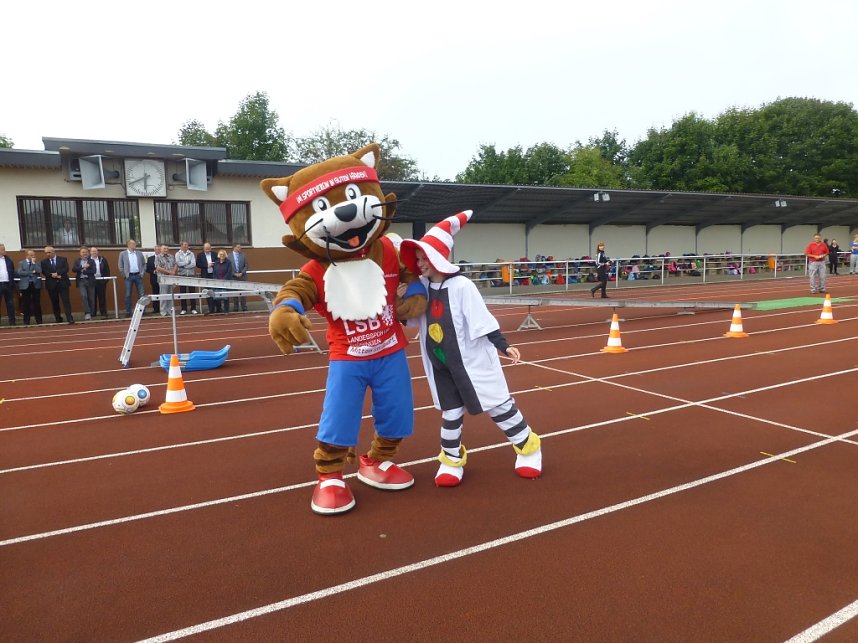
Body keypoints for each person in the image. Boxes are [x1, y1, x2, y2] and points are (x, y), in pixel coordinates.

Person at [399, 211, 542, 487]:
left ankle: (529, 448)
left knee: (498, 405)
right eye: (417, 259)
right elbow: (413, 318)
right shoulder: (423, 286)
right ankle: (451, 460)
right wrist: (400, 302)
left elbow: (481, 319)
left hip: (471, 361)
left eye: (423, 258)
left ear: (437, 257)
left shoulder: (462, 286)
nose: (419, 264)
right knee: (451, 413)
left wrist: (503, 345)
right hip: (440, 364)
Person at [41, 246, 74, 324]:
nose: (47, 254)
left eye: (49, 252)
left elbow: (66, 268)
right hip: (51, 284)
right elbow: (44, 272)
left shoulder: (63, 259)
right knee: (55, 302)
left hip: (63, 283)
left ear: (53, 252)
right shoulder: (44, 262)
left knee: (66, 301)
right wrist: (52, 275)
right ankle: (58, 318)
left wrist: (57, 273)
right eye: (46, 253)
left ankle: (69, 318)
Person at [118, 239, 146, 318]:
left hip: (138, 275)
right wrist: (124, 275)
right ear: (129, 245)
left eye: (135, 244)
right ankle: (128, 311)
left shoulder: (139, 253)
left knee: (141, 294)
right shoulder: (123, 254)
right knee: (128, 294)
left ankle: (142, 311)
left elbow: (144, 264)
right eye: (133, 244)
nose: (135, 245)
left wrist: (142, 273)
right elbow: (120, 265)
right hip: (128, 276)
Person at [17, 249, 43, 325]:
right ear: (27, 255)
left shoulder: (37, 262)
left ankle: (39, 320)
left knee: (37, 302)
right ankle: (26, 321)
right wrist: (31, 272)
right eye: (31, 255)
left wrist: (34, 263)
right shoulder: (21, 263)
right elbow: (20, 272)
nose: (33, 256)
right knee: (26, 303)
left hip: (35, 284)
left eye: (34, 255)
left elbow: (39, 271)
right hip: (25, 285)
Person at [72, 246, 96, 320]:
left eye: (86, 252)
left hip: (90, 280)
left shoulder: (91, 261)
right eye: (83, 252)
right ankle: (87, 313)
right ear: (80, 253)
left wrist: (85, 271)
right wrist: (82, 266)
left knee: (91, 298)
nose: (84, 253)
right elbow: (74, 269)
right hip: (81, 281)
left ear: (88, 253)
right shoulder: (77, 261)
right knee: (83, 296)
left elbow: (94, 271)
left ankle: (92, 313)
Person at [174, 240, 198, 315]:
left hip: (191, 275)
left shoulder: (191, 253)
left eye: (187, 245)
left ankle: (193, 308)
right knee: (183, 292)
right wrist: (187, 263)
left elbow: (193, 264)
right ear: (181, 246)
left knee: (192, 292)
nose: (186, 246)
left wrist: (184, 266)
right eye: (184, 245)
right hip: (182, 275)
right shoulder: (177, 254)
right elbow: (178, 263)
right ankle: (184, 309)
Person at [154, 244, 178, 316]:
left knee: (171, 294)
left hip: (171, 278)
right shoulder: (158, 257)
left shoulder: (171, 256)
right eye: (164, 248)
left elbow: (175, 264)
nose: (166, 250)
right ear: (161, 249)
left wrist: (173, 271)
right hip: (163, 278)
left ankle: (170, 310)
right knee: (163, 294)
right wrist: (169, 272)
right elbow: (158, 268)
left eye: (167, 248)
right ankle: (163, 311)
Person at [196, 242, 218, 314]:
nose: (208, 250)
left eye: (209, 249)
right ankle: (211, 309)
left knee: (216, 291)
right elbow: (198, 264)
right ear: (203, 248)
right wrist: (206, 265)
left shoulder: (215, 254)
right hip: (206, 275)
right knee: (208, 292)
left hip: (214, 275)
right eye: (206, 249)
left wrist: (213, 264)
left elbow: (218, 262)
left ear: (211, 248)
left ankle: (218, 308)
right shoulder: (200, 255)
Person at [89, 247, 110, 319]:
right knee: (92, 298)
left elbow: (107, 270)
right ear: (90, 252)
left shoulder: (102, 259)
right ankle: (93, 313)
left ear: (97, 252)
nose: (94, 252)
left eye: (95, 251)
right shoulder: (88, 260)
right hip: (91, 281)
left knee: (102, 297)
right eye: (92, 251)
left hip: (101, 281)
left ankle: (103, 313)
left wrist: (105, 280)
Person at [211, 249, 234, 313]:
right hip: (217, 282)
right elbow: (214, 272)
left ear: (225, 255)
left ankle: (226, 310)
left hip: (226, 282)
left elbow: (229, 272)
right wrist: (216, 279)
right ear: (219, 255)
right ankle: (219, 309)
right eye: (220, 254)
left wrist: (224, 280)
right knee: (217, 295)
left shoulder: (228, 262)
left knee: (226, 296)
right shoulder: (216, 262)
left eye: (223, 254)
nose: (222, 255)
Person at [0, 243, 17, 326]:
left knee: (10, 303)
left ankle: (12, 321)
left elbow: (12, 270)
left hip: (8, 284)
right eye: (3, 249)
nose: (5, 250)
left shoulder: (8, 259)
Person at [230, 243, 249, 311]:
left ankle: (244, 306)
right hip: (233, 277)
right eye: (238, 247)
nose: (240, 248)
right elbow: (229, 267)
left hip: (242, 276)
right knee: (234, 292)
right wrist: (234, 273)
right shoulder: (229, 256)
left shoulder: (243, 255)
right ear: (234, 247)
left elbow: (246, 266)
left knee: (243, 292)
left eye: (240, 247)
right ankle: (236, 307)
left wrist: (242, 273)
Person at [145, 247, 161, 314]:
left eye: (159, 249)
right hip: (154, 278)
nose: (158, 251)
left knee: (164, 293)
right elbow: (147, 269)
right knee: (155, 293)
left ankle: (164, 308)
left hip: (163, 278)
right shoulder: (150, 258)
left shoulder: (164, 258)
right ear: (154, 250)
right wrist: (154, 271)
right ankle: (156, 309)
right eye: (157, 249)